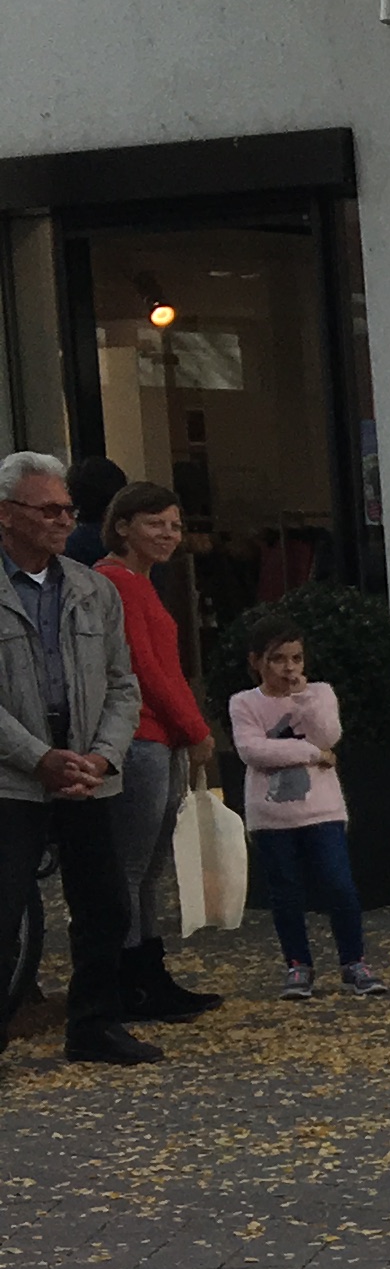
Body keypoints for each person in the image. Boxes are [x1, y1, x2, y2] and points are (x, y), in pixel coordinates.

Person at [0, 449, 158, 1066]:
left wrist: (104, 757)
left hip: (87, 774)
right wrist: (37, 757)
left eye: (68, 509)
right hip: (12, 779)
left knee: (105, 906)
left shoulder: (94, 589)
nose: (65, 520)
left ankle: (94, 1026)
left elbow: (123, 684)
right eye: (49, 510)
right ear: (6, 514)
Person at [95, 486, 219, 1023]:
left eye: (175, 525)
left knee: (144, 871)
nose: (169, 534)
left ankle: (146, 976)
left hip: (158, 737)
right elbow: (147, 669)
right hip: (143, 737)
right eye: (156, 523)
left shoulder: (136, 582)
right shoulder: (119, 583)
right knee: (132, 868)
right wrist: (195, 729)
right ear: (123, 526)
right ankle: (129, 980)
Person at [229, 629, 378, 1000]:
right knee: (285, 891)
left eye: (296, 658)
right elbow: (253, 751)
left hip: (322, 810)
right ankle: (298, 964)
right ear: (257, 662)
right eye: (278, 659)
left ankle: (354, 961)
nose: (289, 668)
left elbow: (328, 735)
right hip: (271, 815)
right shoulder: (244, 703)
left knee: (339, 884)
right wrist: (313, 755)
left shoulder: (320, 693)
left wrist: (305, 700)